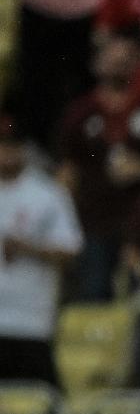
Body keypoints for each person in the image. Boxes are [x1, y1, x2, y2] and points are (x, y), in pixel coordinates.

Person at [0, 125, 83, 387]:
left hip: (30, 319)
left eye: (12, 145)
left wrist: (28, 248)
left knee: (37, 402)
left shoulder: (47, 194)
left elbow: (70, 248)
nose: (6, 153)